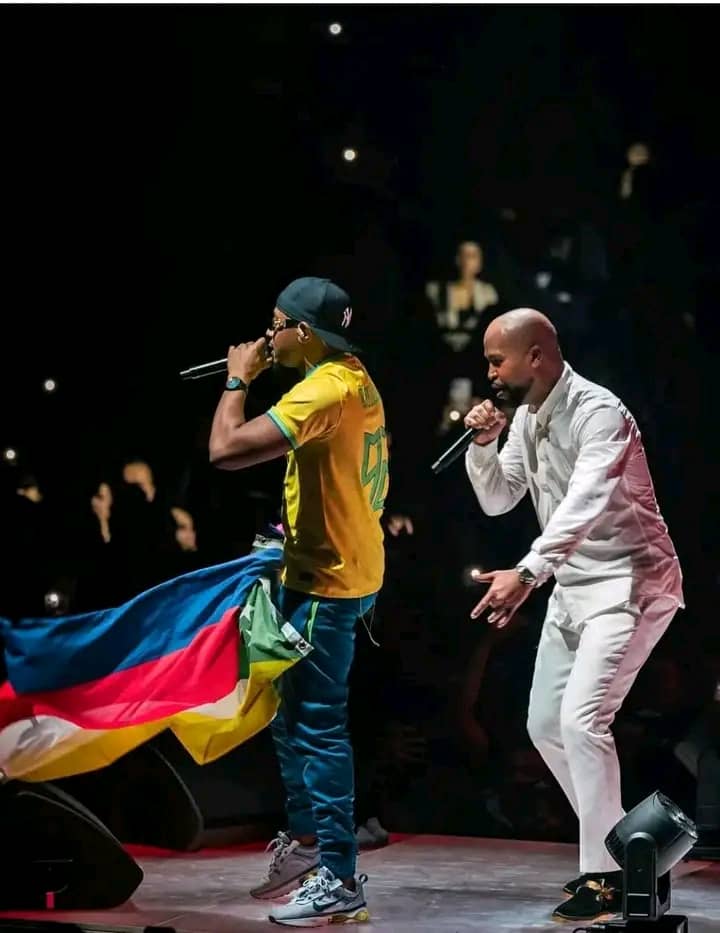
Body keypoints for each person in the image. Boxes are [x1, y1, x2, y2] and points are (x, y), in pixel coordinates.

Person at [462, 308, 683, 923]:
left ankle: (607, 876)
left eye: (495, 360)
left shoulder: (599, 413)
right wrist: (483, 445)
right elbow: (500, 497)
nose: (489, 373)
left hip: (630, 584)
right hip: (572, 589)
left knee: (584, 722)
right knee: (544, 726)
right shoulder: (528, 417)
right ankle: (640, 858)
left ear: (536, 355)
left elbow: (583, 505)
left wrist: (527, 573)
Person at [209, 276, 387, 926]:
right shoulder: (354, 374)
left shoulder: (322, 390)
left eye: (275, 323)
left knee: (317, 723)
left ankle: (340, 875)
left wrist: (237, 378)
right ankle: (310, 845)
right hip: (338, 567)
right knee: (289, 714)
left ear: (303, 333)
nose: (266, 334)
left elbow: (224, 450)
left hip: (325, 584)